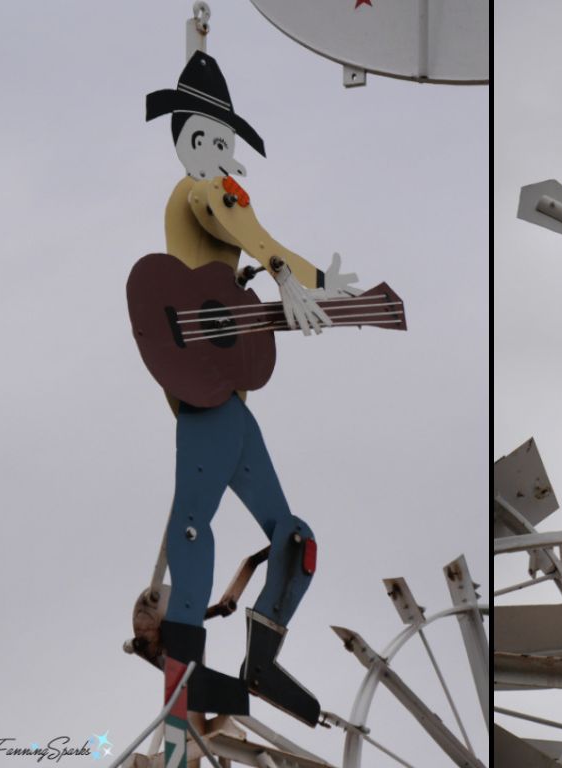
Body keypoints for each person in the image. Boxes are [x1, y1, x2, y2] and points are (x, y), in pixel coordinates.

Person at [143, 50, 357, 726]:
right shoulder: (198, 191)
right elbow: (235, 221)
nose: (215, 154)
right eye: (202, 139)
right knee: (193, 524)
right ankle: (183, 676)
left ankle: (260, 662)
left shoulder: (223, 198)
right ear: (184, 141)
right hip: (202, 394)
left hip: (229, 400)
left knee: (295, 538)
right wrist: (293, 274)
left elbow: (237, 247)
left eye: (223, 142)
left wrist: (302, 282)